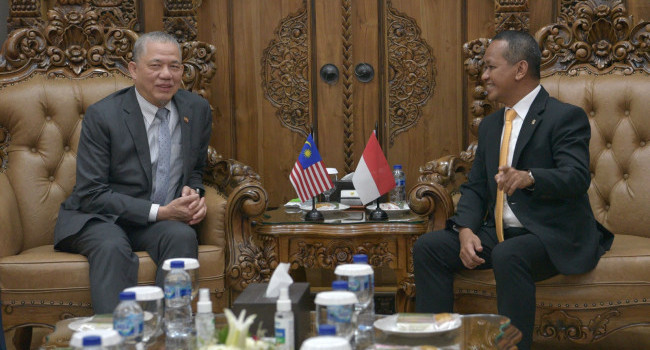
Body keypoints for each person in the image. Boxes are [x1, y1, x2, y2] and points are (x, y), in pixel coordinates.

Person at [413, 30, 614, 350]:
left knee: (509, 254)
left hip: (549, 234)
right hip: (499, 232)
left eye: (491, 67)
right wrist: (465, 230)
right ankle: (435, 344)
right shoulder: (492, 126)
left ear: (520, 69)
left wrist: (530, 177)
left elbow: (576, 177)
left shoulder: (564, 117)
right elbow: (477, 186)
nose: (483, 75)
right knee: (430, 247)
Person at [54, 31, 211, 313]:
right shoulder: (104, 116)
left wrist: (194, 194)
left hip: (156, 223)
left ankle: (171, 330)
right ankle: (119, 339)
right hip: (99, 217)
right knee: (112, 245)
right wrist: (161, 212)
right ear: (134, 70)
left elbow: (196, 170)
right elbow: (92, 193)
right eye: (156, 65)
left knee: (182, 236)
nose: (166, 74)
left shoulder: (196, 109)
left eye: (174, 66)